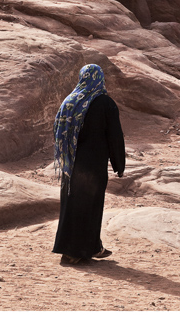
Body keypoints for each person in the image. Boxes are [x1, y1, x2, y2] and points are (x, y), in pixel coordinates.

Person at [52, 64, 126, 265]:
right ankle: (79, 251)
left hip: (71, 165)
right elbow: (115, 136)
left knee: (71, 207)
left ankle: (74, 249)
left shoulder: (71, 101)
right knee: (90, 208)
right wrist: (119, 163)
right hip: (92, 167)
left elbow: (57, 131)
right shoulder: (104, 103)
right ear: (99, 79)